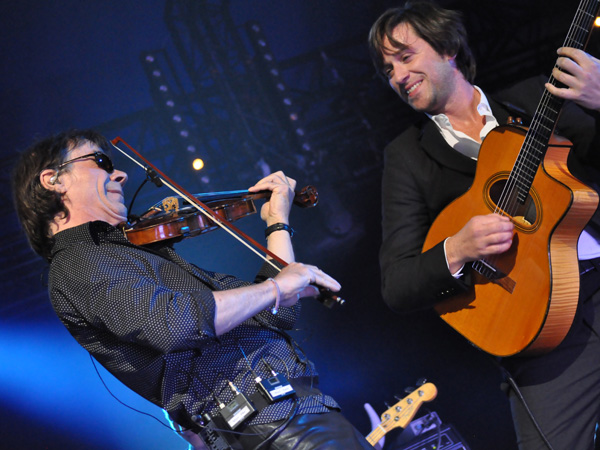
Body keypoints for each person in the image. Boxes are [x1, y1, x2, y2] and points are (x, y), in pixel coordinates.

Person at [11, 129, 374, 450]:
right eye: (102, 162)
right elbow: (174, 324)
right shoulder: (77, 262)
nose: (120, 173)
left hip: (293, 415)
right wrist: (278, 287)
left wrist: (277, 223)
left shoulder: (132, 255)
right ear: (53, 180)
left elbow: (278, 311)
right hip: (271, 427)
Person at [368, 2, 600, 449]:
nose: (397, 75)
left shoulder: (536, 99)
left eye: (405, 56)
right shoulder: (408, 158)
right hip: (543, 328)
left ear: (447, 47)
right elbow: (397, 284)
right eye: (387, 69)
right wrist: (455, 248)